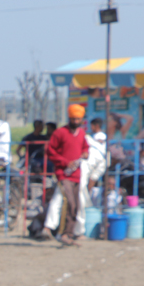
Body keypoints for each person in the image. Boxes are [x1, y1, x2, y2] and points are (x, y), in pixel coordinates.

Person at [45, 104, 89, 246]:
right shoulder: (60, 133)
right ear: (69, 118)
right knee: (68, 202)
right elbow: (50, 151)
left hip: (77, 174)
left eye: (78, 119)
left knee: (75, 205)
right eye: (73, 119)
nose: (76, 121)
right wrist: (64, 162)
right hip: (63, 173)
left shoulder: (81, 133)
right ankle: (58, 230)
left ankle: (68, 233)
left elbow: (85, 146)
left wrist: (85, 153)